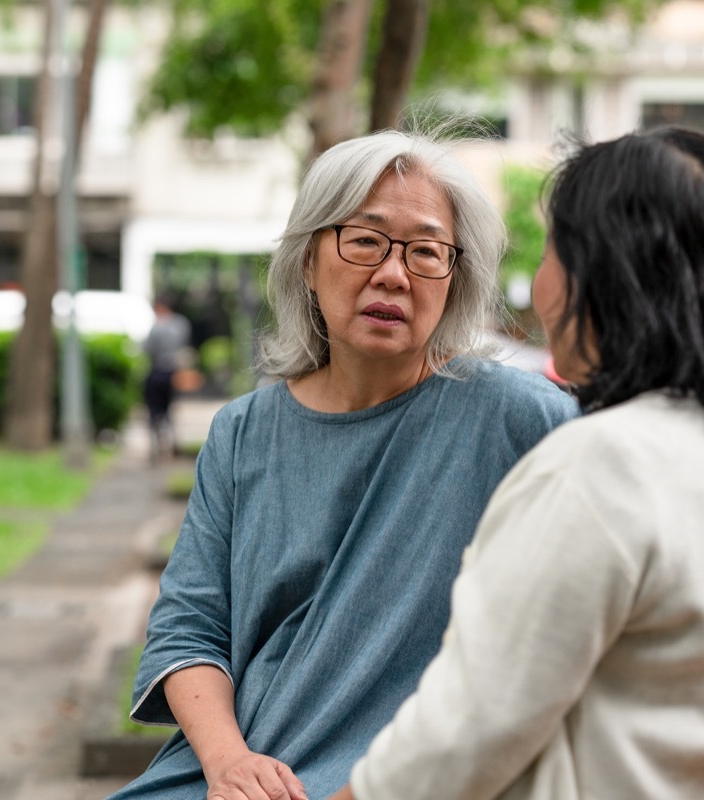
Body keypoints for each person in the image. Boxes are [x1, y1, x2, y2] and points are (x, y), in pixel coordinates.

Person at [332, 127, 704, 800]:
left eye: (553, 251)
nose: (541, 284)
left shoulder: (602, 469)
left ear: (610, 280)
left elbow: (450, 750)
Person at [107, 128, 579, 800]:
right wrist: (228, 762)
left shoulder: (521, 419)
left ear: (456, 277)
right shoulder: (243, 432)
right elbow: (189, 627)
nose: (392, 273)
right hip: (236, 772)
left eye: (425, 251)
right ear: (307, 258)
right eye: (364, 240)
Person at [143, 293, 192, 460]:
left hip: (157, 371)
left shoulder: (156, 327)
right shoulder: (181, 324)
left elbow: (148, 350)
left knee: (154, 410)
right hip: (174, 373)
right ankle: (171, 444)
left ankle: (157, 446)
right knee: (170, 409)